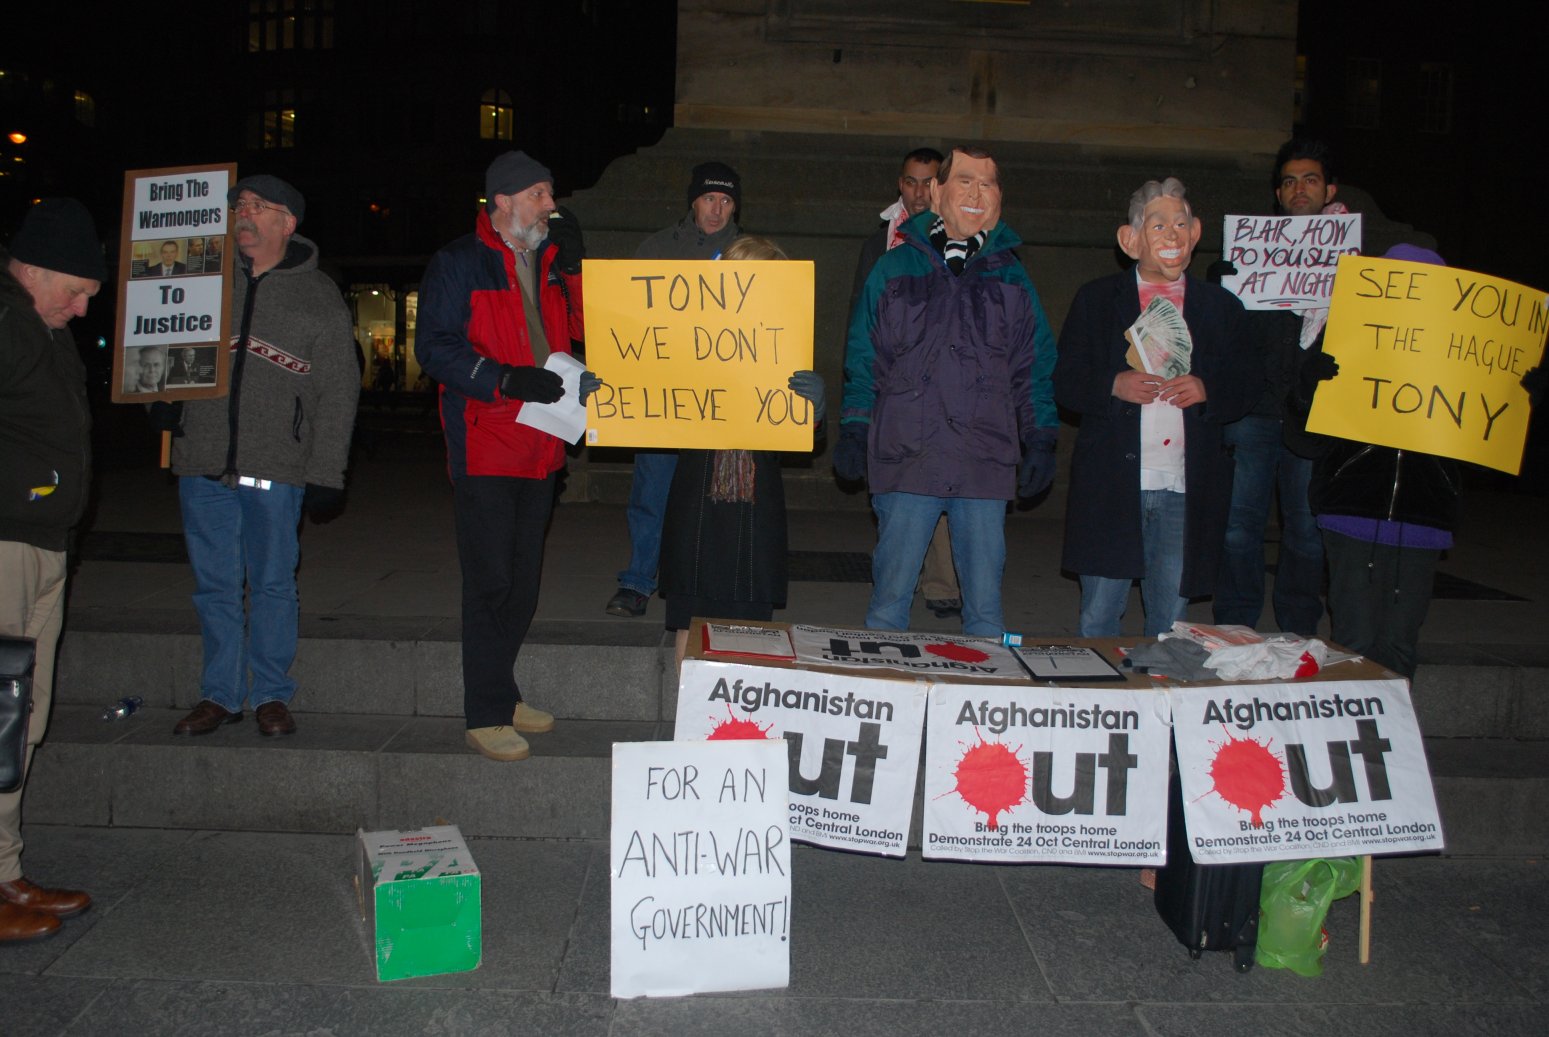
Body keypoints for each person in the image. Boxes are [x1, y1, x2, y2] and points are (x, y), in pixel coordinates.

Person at [153, 175, 359, 738]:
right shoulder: (205, 285)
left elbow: (339, 390)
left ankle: (270, 692)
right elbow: (167, 349)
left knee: (271, 582)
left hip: (277, 464)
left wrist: (326, 472)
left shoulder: (318, 295)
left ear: (287, 223)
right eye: (239, 204)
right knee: (214, 584)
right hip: (202, 460)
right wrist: (165, 402)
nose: (243, 213)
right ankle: (219, 695)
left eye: (258, 206)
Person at [415, 151, 598, 763]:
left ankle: (503, 689)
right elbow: (435, 348)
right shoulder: (458, 263)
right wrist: (503, 379)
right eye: (542, 194)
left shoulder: (548, 261)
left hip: (544, 444)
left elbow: (583, 331)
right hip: (487, 443)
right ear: (505, 199)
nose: (553, 205)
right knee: (490, 581)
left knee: (522, 584)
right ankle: (485, 711)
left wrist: (573, 272)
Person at [1290, 244, 1544, 679]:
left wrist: (1519, 406)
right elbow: (1303, 443)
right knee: (1355, 642)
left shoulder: (1465, 364)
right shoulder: (1342, 347)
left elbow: (1484, 465)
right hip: (1351, 513)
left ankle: (1395, 745)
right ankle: (1354, 741)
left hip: (1424, 517)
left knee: (1399, 645)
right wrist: (1308, 388)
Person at [837, 145, 1059, 638]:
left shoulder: (1012, 277)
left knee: (984, 613)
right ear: (937, 193)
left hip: (983, 458)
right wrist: (854, 425)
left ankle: (981, 713)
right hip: (908, 456)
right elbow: (864, 355)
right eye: (965, 181)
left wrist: (1041, 435)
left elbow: (1034, 363)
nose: (977, 194)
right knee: (889, 606)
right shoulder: (894, 268)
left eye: (989, 184)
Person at [1057, 177, 1258, 637]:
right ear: (1130, 240)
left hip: (1183, 486)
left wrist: (1208, 390)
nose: (1172, 234)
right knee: (1099, 615)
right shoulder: (1097, 300)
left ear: (1197, 232)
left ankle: (1161, 702)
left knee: (1171, 624)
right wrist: (1113, 384)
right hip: (1113, 482)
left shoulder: (1221, 308)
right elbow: (1065, 380)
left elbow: (1248, 382)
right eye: (1158, 224)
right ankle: (1101, 702)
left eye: (1181, 224)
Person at [0, 197, 103, 942]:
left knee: (19, 719)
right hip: (3, 542)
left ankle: (4, 869)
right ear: (30, 267)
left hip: (45, 545)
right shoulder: (5, 322)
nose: (81, 305)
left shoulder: (44, 324)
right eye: (73, 289)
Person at [658, 235, 825, 666]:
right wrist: (606, 395)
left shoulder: (784, 344)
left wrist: (816, 411)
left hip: (755, 506)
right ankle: (688, 727)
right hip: (697, 500)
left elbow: (800, 434)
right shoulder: (686, 340)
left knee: (752, 624)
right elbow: (649, 401)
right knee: (689, 620)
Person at [1212, 139, 1341, 636]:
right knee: (1239, 527)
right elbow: (1226, 334)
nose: (1299, 188)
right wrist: (1221, 288)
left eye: (1310, 179)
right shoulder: (1253, 251)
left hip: (1314, 412)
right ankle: (1236, 625)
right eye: (1289, 180)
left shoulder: (1352, 264)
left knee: (1307, 533)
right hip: (1254, 409)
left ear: (1330, 189)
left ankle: (1298, 630)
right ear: (1278, 194)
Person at [604, 161, 742, 619]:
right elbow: (626, 319)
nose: (717, 210)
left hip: (723, 401)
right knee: (652, 490)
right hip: (663, 398)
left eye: (726, 201)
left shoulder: (750, 254)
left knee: (719, 497)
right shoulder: (657, 249)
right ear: (693, 201)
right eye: (709, 199)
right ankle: (639, 580)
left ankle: (709, 583)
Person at [846, 147, 963, 620]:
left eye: (928, 182)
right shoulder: (880, 242)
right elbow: (860, 315)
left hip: (942, 391)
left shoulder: (963, 237)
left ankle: (940, 582)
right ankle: (897, 580)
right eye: (911, 182)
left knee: (943, 485)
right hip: (892, 387)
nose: (919, 192)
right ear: (900, 184)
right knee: (896, 491)